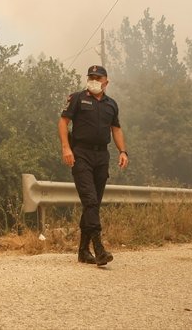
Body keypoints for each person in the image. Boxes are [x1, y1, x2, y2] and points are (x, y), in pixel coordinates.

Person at [58, 64, 128, 266]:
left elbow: (116, 129)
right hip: (81, 154)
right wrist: (66, 148)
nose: (94, 81)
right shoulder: (77, 98)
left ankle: (83, 251)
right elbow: (63, 122)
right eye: (91, 77)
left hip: (102, 156)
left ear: (106, 82)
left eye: (98, 78)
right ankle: (98, 248)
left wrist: (123, 151)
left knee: (93, 204)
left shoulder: (111, 104)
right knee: (90, 201)